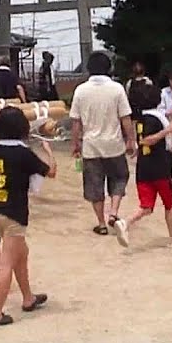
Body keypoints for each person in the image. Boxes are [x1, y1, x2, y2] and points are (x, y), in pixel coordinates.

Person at [0, 105, 57, 327]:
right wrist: (48, 151)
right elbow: (51, 171)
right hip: (14, 212)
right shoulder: (23, 152)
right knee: (8, 263)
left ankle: (28, 298)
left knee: (22, 253)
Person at [70, 51, 136, 238]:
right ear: (109, 68)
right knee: (119, 178)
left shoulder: (81, 90)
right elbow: (125, 118)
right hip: (114, 145)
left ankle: (101, 223)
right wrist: (130, 140)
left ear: (89, 68)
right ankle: (113, 212)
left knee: (94, 186)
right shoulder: (117, 89)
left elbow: (76, 122)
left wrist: (75, 144)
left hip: (91, 147)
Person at [119, 83, 172, 249]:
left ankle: (125, 223)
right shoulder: (156, 118)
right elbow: (147, 140)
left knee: (146, 207)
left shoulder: (142, 117)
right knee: (169, 204)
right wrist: (168, 130)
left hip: (144, 168)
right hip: (160, 168)